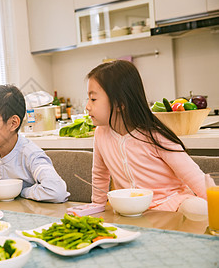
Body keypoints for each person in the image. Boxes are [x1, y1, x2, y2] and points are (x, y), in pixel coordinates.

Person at [86, 60, 207, 213]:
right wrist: (97, 206)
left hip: (171, 203)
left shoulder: (154, 134)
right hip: (131, 209)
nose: (87, 106)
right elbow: (99, 174)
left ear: (120, 103)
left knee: (198, 208)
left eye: (93, 99)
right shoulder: (100, 134)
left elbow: (194, 177)